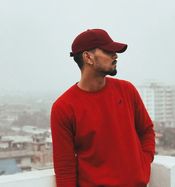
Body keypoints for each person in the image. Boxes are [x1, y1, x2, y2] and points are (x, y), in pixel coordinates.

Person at [51, 28, 155, 187]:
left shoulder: (127, 90)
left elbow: (146, 130)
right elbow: (65, 168)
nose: (115, 55)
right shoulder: (63, 107)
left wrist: (143, 162)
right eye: (108, 51)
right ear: (88, 57)